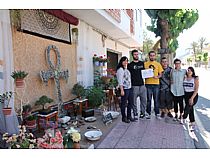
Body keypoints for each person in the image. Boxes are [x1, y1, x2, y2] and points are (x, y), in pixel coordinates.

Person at [128, 49, 147, 120]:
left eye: (137, 54)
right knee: (134, 101)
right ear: (132, 55)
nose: (136, 55)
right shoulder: (130, 65)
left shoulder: (142, 63)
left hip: (142, 85)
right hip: (134, 86)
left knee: (144, 100)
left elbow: (145, 73)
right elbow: (128, 75)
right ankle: (135, 113)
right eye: (135, 54)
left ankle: (142, 113)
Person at [144, 51, 163, 119]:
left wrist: (157, 77)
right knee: (148, 100)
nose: (152, 57)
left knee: (156, 99)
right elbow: (143, 73)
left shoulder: (158, 64)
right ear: (149, 56)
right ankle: (148, 113)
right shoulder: (145, 64)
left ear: (155, 56)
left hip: (156, 84)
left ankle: (157, 113)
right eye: (151, 55)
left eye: (153, 55)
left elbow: (161, 74)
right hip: (148, 84)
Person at [116, 56, 134, 123]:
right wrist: (122, 90)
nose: (125, 62)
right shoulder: (120, 70)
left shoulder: (126, 69)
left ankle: (129, 116)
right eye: (124, 61)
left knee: (130, 103)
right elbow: (120, 81)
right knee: (123, 104)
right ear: (121, 61)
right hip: (124, 89)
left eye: (126, 61)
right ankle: (124, 117)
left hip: (129, 88)